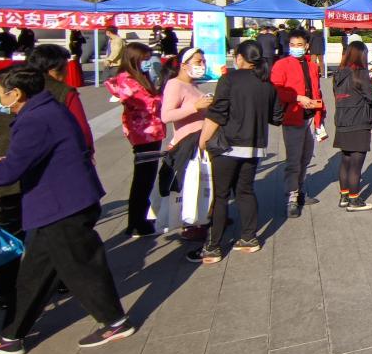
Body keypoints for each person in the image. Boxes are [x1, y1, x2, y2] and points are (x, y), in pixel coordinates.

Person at [0, 66, 135, 354]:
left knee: (83, 268)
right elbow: (26, 159)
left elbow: (11, 171)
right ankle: (11, 336)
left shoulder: (36, 119)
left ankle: (115, 321)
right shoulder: (44, 110)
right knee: (34, 275)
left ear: (16, 93)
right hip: (55, 205)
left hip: (62, 205)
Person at [0, 47, 95, 310]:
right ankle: (58, 281)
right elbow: (83, 135)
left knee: (9, 233)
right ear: (54, 69)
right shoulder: (61, 93)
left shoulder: (4, 87)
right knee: (50, 233)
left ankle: (6, 293)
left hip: (6, 178)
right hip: (44, 179)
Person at [189, 40, 283, 264]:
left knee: (220, 196)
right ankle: (249, 238)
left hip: (227, 145)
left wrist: (203, 140)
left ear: (240, 57)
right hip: (254, 146)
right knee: (245, 191)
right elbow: (277, 117)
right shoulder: (267, 84)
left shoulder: (230, 79)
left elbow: (218, 113)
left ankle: (213, 247)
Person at [105, 42, 166, 238]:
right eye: (145, 59)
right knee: (143, 177)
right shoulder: (126, 79)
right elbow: (148, 104)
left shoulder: (138, 76)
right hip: (143, 132)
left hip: (151, 131)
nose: (147, 62)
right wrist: (165, 93)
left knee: (147, 176)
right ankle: (136, 221)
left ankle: (141, 216)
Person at [159, 47, 213, 239]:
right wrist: (195, 107)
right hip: (185, 144)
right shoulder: (175, 84)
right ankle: (190, 225)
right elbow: (166, 116)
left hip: (199, 142)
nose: (202, 65)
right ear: (183, 65)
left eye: (203, 61)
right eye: (198, 62)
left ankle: (203, 218)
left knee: (200, 183)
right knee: (190, 186)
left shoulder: (193, 85)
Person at [271, 28, 324, 217]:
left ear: (307, 46)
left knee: (306, 157)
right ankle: (291, 198)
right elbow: (276, 90)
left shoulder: (312, 66)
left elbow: (317, 90)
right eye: (292, 45)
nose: (295, 48)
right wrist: (297, 98)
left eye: (299, 45)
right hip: (293, 117)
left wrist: (321, 115)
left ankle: (300, 191)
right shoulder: (282, 65)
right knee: (294, 160)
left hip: (311, 116)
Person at [332, 41, 372, 211]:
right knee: (356, 163)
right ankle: (354, 200)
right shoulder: (360, 73)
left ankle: (344, 196)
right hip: (358, 120)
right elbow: (370, 97)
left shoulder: (339, 73)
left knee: (345, 160)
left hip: (342, 120)